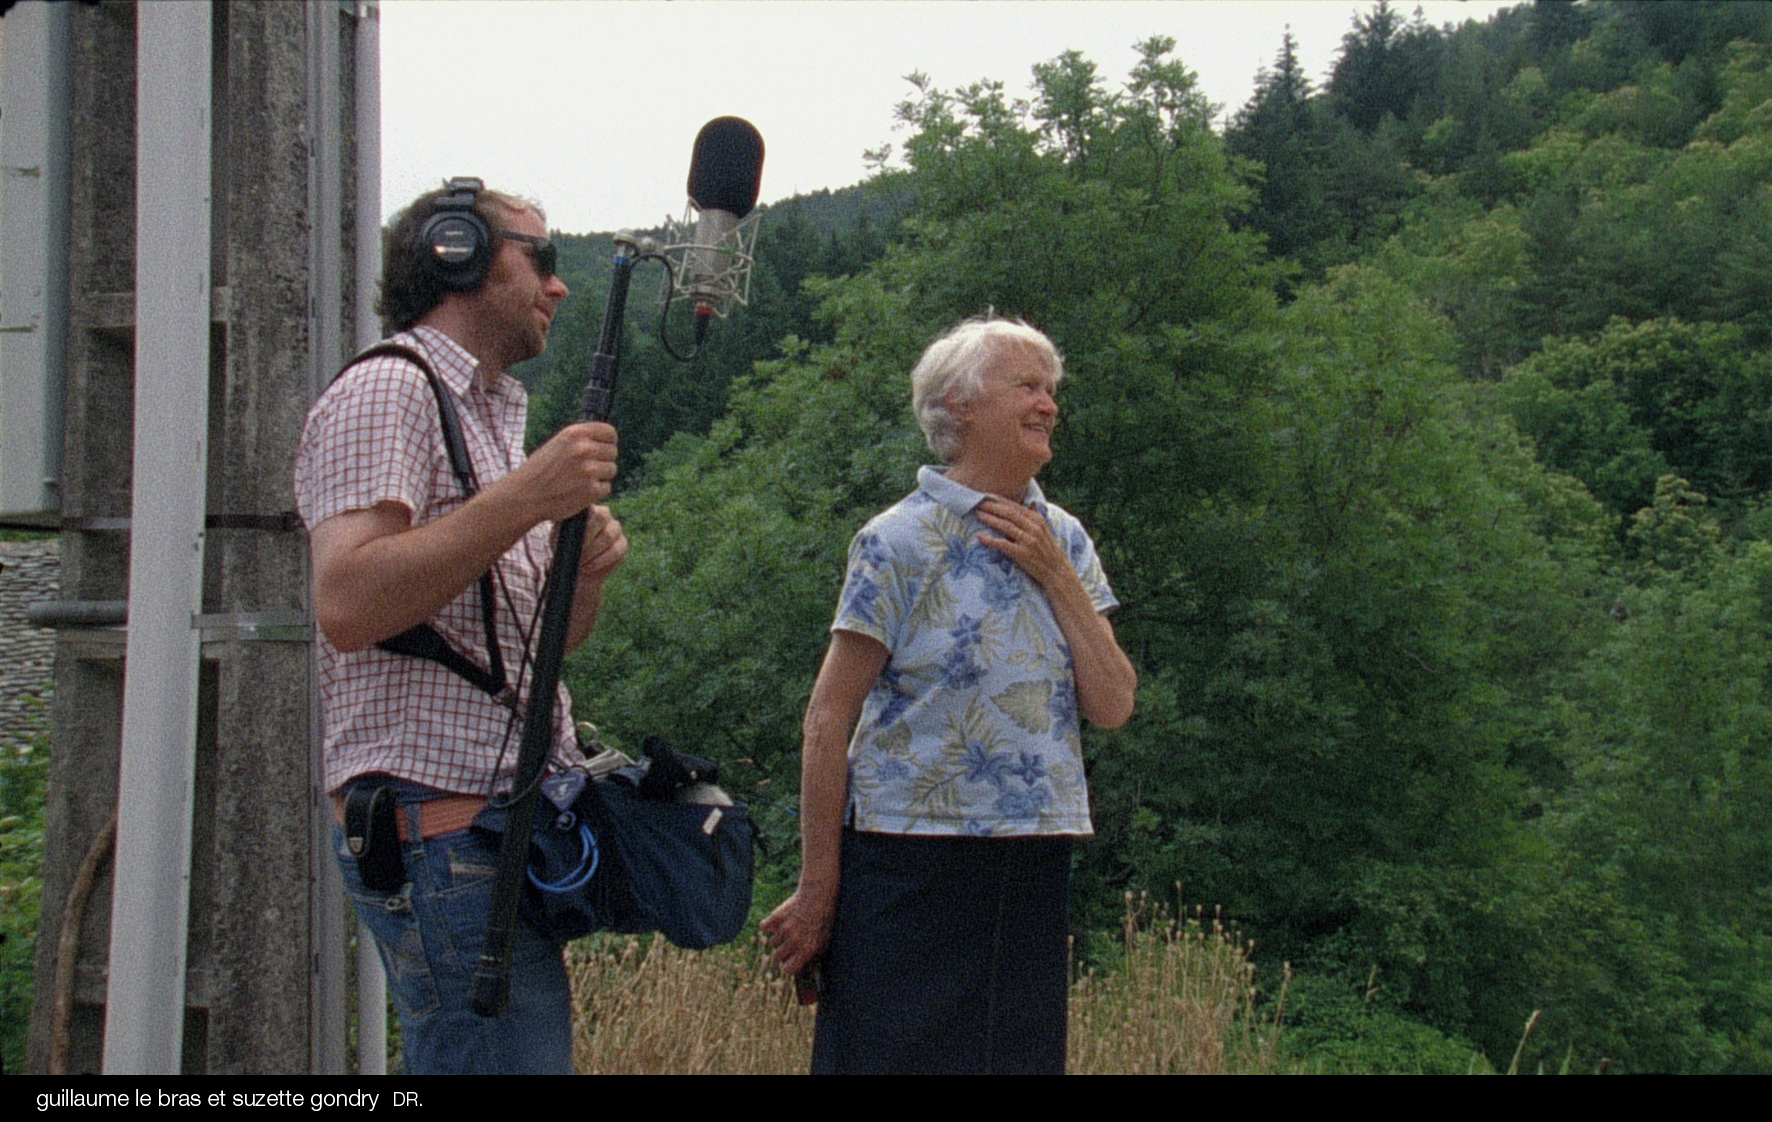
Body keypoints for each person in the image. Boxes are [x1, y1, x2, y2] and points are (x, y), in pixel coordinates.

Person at [294, 180, 627, 1074]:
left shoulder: (485, 418)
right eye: (540, 258)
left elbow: (524, 657)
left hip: (485, 836)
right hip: (441, 835)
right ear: (458, 256)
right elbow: (350, 604)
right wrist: (528, 498)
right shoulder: (387, 394)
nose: (559, 286)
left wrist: (579, 577)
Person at [761, 317, 1137, 1074]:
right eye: (1026, 385)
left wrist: (1056, 576)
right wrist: (818, 889)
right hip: (908, 858)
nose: (1049, 404)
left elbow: (1114, 703)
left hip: (1031, 854)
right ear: (958, 405)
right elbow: (827, 721)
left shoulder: (1063, 537)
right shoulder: (897, 541)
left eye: (1052, 389)